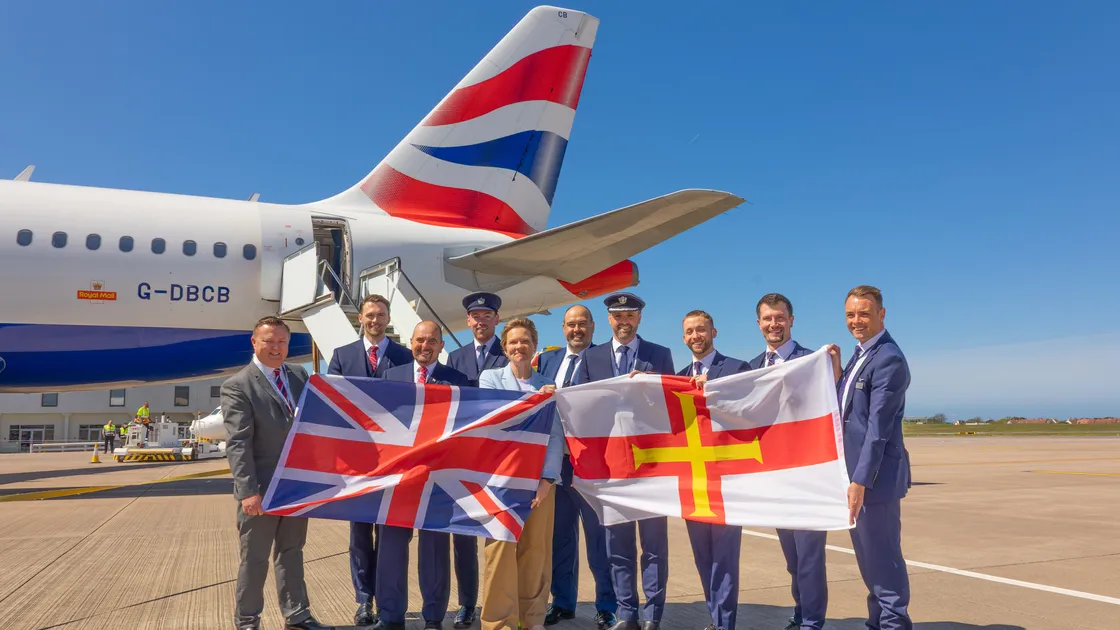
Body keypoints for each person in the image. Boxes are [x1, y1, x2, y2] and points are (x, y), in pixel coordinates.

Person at [221, 316, 333, 630]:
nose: (276, 347)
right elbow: (238, 442)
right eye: (269, 341)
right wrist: (248, 491)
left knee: (292, 552)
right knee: (255, 559)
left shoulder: (299, 375)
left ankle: (297, 614)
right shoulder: (238, 385)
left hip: (295, 486)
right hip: (262, 488)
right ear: (254, 342)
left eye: (282, 341)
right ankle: (247, 620)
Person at [576, 292, 674, 630]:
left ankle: (653, 614)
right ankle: (627, 612)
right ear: (609, 320)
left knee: (653, 545)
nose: (624, 321)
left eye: (630, 314)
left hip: (651, 466)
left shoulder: (659, 355)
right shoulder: (592, 357)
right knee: (616, 545)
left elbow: (671, 406)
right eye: (618, 316)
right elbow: (581, 406)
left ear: (639, 318)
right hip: (611, 467)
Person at [377, 321, 471, 630]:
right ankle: (390, 616)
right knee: (390, 546)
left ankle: (433, 617)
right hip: (398, 479)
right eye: (419, 340)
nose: (424, 345)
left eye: (431, 340)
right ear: (411, 343)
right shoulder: (390, 377)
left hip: (438, 478)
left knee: (434, 549)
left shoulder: (458, 380)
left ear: (441, 346)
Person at [328, 294, 413, 627]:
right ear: (360, 319)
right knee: (360, 533)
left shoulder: (405, 357)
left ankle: (388, 599)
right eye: (369, 315)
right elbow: (332, 406)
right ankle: (364, 601)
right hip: (359, 463)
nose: (375, 320)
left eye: (380, 315)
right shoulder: (342, 356)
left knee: (392, 535)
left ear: (388, 318)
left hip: (398, 460)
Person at [478, 317, 564, 630]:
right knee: (500, 553)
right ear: (504, 347)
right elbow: (495, 418)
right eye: (513, 342)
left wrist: (547, 479)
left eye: (525, 341)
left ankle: (533, 620)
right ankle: (499, 622)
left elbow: (555, 435)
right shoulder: (490, 378)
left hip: (539, 482)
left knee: (536, 553)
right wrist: (534, 401)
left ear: (534, 346)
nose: (519, 347)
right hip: (500, 482)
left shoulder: (548, 383)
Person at [746, 294, 825, 630]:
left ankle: (811, 621)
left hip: (807, 474)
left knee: (809, 555)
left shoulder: (812, 362)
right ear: (759, 324)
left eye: (780, 318)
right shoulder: (749, 369)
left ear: (792, 320)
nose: (774, 325)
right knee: (792, 557)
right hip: (773, 477)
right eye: (767, 319)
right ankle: (801, 611)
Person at [537, 306, 617, 629]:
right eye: (571, 324)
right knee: (560, 538)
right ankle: (563, 602)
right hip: (557, 466)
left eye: (583, 324)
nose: (577, 329)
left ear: (593, 327)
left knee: (598, 538)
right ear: (563, 327)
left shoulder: (604, 360)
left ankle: (606, 605)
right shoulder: (546, 361)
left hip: (592, 465)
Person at [837, 286, 912, 630]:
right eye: (851, 314)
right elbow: (851, 413)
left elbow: (878, 429)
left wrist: (860, 480)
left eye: (864, 314)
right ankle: (876, 624)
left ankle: (894, 624)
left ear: (882, 315)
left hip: (874, 481)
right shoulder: (861, 354)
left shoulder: (888, 358)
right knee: (869, 562)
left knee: (882, 561)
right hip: (855, 476)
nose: (857, 321)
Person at [677, 310, 750, 630]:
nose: (696, 336)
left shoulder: (736, 369)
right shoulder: (678, 378)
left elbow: (746, 411)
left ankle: (725, 624)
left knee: (724, 556)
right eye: (690, 332)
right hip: (694, 480)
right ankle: (716, 616)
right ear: (684, 338)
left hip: (726, 480)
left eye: (701, 330)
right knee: (702, 555)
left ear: (713, 332)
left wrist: (715, 388)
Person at [446, 291, 509, 627]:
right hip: (466, 457)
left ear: (496, 320)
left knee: (501, 534)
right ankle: (468, 603)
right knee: (465, 536)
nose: (481, 321)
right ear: (468, 321)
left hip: (501, 457)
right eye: (476, 316)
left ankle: (500, 601)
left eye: (487, 316)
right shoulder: (455, 359)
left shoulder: (510, 352)